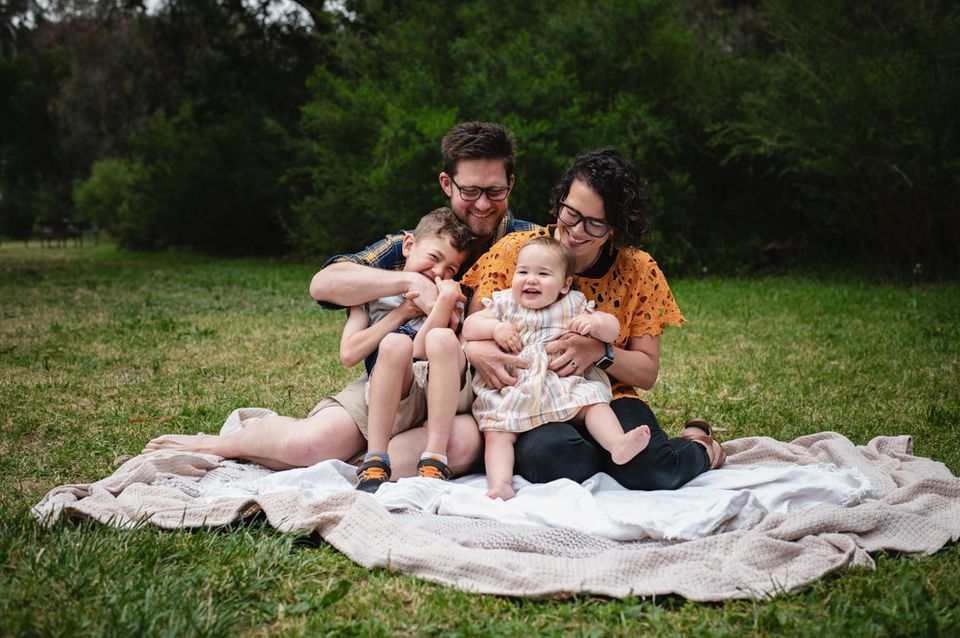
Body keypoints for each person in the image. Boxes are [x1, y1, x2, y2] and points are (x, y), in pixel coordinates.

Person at [144, 121, 536, 478]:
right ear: (447, 184)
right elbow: (325, 284)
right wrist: (408, 282)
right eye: (470, 190)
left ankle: (358, 463)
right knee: (307, 445)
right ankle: (220, 445)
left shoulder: (532, 245)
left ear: (511, 186)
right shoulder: (419, 245)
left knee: (462, 445)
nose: (482, 203)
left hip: (467, 400)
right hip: (391, 385)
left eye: (494, 191)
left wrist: (471, 343)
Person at [461, 148, 726, 492]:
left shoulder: (638, 270)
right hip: (532, 396)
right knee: (553, 460)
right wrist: (476, 349)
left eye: (595, 223)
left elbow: (646, 372)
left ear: (617, 227)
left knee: (652, 471)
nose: (575, 230)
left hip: (605, 397)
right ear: (560, 202)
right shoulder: (517, 252)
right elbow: (470, 330)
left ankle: (701, 446)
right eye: (570, 213)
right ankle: (608, 459)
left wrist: (601, 350)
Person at [463, 236, 652, 500]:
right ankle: (500, 483)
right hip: (514, 390)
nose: (531, 279)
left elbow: (613, 329)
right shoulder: (504, 304)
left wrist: (596, 324)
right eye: (523, 271)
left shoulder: (572, 304)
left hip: (561, 385)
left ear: (565, 285)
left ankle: (616, 444)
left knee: (593, 404)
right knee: (497, 433)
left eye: (543, 274)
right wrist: (496, 328)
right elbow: (469, 327)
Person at [342, 208, 475, 492]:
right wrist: (402, 312)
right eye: (434, 257)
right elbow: (349, 354)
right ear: (409, 246)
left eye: (451, 269)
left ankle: (435, 460)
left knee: (440, 338)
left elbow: (422, 350)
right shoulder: (371, 295)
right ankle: (375, 461)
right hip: (396, 391)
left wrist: (444, 302)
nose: (439, 272)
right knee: (394, 342)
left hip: (440, 389)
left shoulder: (452, 298)